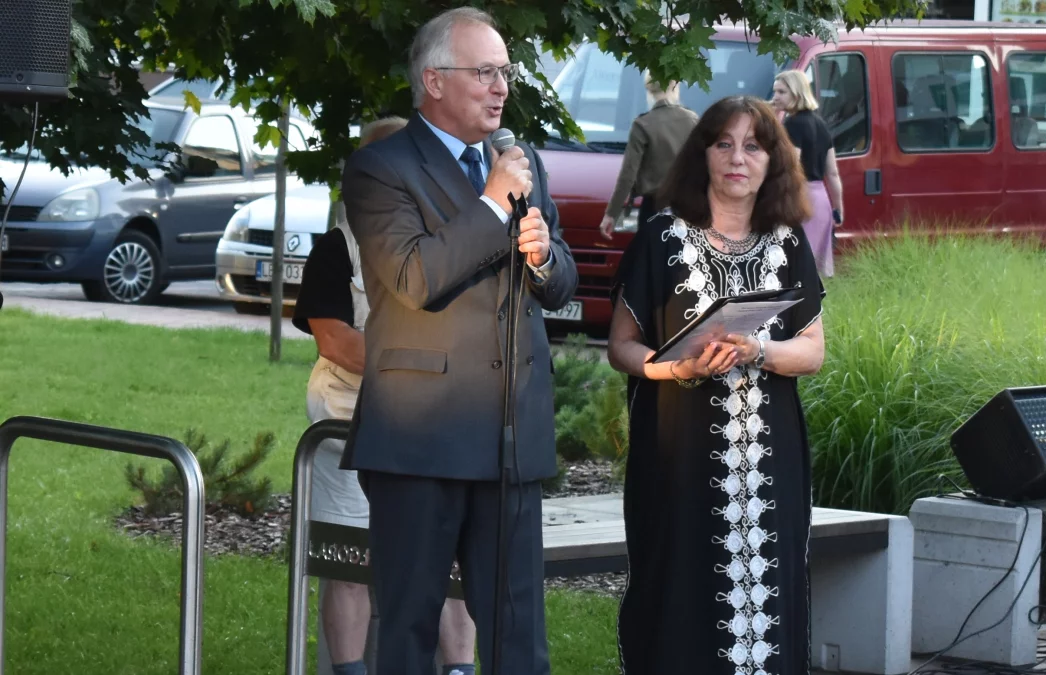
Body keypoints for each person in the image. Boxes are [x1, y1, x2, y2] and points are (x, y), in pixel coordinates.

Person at [339, 6, 578, 674]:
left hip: (511, 435)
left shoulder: (521, 162)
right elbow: (414, 278)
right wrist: (494, 203)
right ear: (435, 81)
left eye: (506, 72)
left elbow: (561, 280)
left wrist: (543, 259)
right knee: (409, 634)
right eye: (485, 72)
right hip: (421, 438)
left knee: (520, 640)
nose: (501, 88)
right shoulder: (380, 168)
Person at [607, 95, 826, 675]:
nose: (737, 158)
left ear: (772, 161)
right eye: (723, 144)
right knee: (678, 589)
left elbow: (812, 351)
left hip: (768, 462)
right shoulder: (660, 239)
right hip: (677, 457)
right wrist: (673, 369)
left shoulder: (788, 242)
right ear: (701, 154)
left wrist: (760, 350)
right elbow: (621, 347)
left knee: (769, 598)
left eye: (753, 147)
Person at [293, 116, 479, 675]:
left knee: (449, 562)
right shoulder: (336, 247)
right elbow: (334, 340)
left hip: (435, 422)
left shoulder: (452, 243)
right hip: (345, 419)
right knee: (349, 558)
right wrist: (418, 364)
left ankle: (459, 670)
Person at [599, 74, 698, 240]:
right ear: (676, 87)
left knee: (651, 253)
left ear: (649, 90)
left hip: (654, 208)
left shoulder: (643, 124)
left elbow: (628, 176)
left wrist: (611, 214)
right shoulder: (692, 120)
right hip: (688, 207)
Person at [772, 70, 843, 278]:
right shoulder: (821, 124)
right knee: (812, 272)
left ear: (797, 93)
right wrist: (838, 208)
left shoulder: (792, 124)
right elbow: (833, 173)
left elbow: (789, 166)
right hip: (821, 200)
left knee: (791, 269)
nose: (776, 97)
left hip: (798, 197)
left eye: (782, 92)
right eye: (775, 91)